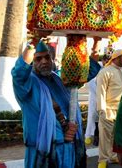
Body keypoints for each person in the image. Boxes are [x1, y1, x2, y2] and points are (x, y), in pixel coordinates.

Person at [12, 36, 101, 167]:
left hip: (69, 149)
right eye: (38, 58)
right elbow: (18, 73)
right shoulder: (26, 85)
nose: (44, 61)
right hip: (44, 154)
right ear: (32, 61)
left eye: (47, 57)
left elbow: (88, 71)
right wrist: (35, 40)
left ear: (52, 59)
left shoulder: (60, 79)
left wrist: (96, 42)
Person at [96, 49, 122, 168]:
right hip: (108, 109)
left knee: (118, 136)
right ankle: (103, 160)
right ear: (115, 58)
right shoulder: (105, 72)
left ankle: (113, 156)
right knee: (105, 136)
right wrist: (102, 110)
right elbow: (100, 92)